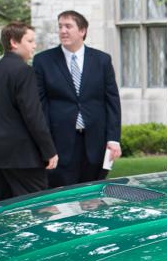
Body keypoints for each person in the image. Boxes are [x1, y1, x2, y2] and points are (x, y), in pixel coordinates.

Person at [33, 10, 122, 188]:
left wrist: (113, 139)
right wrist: (46, 145)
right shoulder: (43, 61)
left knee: (93, 197)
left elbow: (112, 101)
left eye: (68, 26)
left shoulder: (102, 60)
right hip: (60, 143)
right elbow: (40, 106)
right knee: (62, 198)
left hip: (95, 142)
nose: (63, 31)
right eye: (60, 27)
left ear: (82, 31)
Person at [0, 22, 59, 201]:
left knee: (0, 214)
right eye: (30, 40)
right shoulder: (24, 71)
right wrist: (49, 150)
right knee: (38, 209)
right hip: (22, 157)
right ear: (14, 42)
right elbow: (33, 115)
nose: (34, 45)